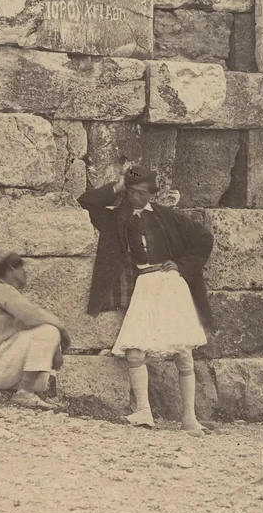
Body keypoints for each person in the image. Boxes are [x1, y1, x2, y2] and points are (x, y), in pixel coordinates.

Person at [78, 165, 214, 435]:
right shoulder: (116, 217)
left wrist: (181, 265)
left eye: (143, 193)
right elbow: (86, 202)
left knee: (184, 351)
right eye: (132, 192)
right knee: (135, 348)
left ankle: (189, 418)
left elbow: (204, 238)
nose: (137, 197)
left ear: (152, 193)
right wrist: (116, 186)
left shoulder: (167, 217)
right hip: (143, 285)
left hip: (171, 285)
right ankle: (143, 411)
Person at [0, 250, 71, 410]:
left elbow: (33, 323)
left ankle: (45, 394)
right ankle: (25, 393)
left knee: (46, 332)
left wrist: (56, 348)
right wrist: (62, 330)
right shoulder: (0, 289)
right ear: (11, 269)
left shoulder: (3, 291)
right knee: (49, 331)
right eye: (21, 267)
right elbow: (33, 316)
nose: (25, 272)